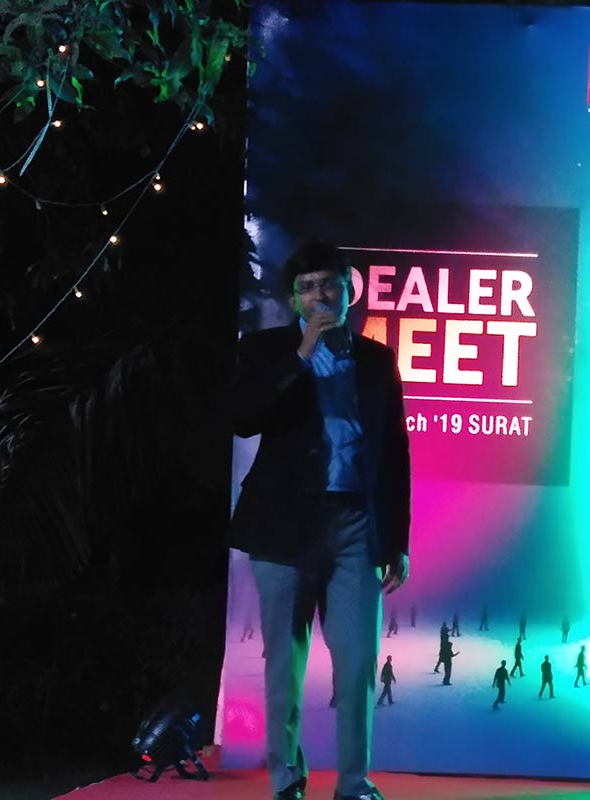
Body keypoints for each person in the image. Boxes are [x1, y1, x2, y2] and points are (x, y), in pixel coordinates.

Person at [231, 242, 411, 800]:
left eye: (329, 283)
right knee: (284, 663)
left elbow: (394, 453)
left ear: (349, 289)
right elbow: (244, 417)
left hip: (354, 525)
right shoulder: (265, 350)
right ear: (293, 299)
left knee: (357, 663)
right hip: (283, 528)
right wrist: (302, 355)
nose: (319, 295)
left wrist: (397, 539)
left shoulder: (377, 359)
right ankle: (286, 778)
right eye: (306, 287)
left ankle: (354, 784)